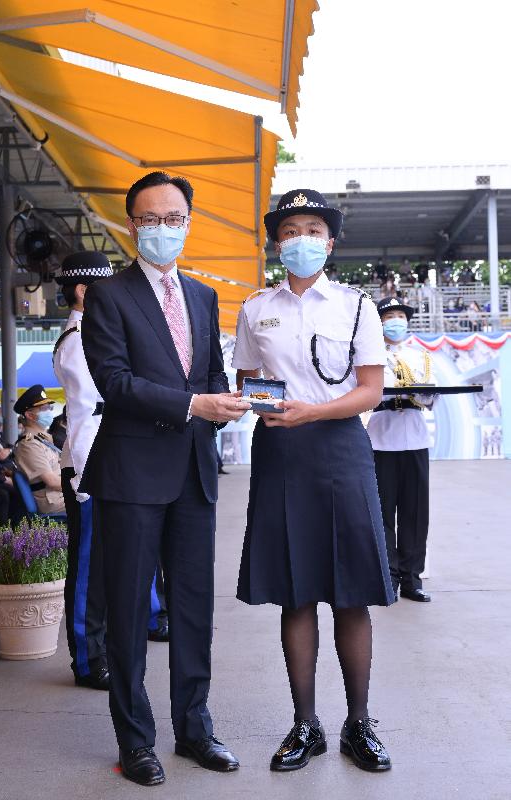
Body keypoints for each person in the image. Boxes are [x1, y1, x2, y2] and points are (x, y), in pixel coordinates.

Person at [80, 171, 249, 786]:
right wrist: (192, 407)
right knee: (127, 614)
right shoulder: (109, 296)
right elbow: (116, 383)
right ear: (131, 225)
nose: (162, 229)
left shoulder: (204, 296)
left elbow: (207, 374)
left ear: (188, 221)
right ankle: (135, 741)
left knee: (193, 610)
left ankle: (195, 730)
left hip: (193, 474)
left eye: (173, 218)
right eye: (150, 219)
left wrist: (224, 401)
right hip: (130, 475)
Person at [233, 188, 394, 774]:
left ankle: (359, 723)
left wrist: (312, 411)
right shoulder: (255, 308)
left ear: (330, 241)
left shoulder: (356, 307)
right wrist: (268, 407)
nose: (301, 239)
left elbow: (370, 389)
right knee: (295, 591)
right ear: (277, 242)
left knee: (351, 593)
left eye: (313, 229)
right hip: (280, 451)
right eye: (290, 229)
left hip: (340, 449)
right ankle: (306, 724)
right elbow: (248, 376)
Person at [53, 252, 114, 691]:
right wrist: (84, 483)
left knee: (102, 565)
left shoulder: (92, 333)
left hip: (99, 459)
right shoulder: (78, 339)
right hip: (87, 463)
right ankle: (87, 659)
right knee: (89, 566)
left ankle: (99, 649)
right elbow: (89, 412)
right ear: (82, 291)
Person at [367, 297, 436, 603]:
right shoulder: (370, 356)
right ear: (379, 322)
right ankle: (387, 576)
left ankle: (412, 578)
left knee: (415, 513)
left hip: (415, 440)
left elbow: (432, 397)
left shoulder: (420, 357)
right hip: (381, 440)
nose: (395, 321)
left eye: (400, 315)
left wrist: (420, 392)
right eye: (389, 316)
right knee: (382, 513)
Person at [13, 386, 65, 515]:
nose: (49, 412)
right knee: (100, 501)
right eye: (44, 409)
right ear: (29, 415)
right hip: (53, 500)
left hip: (61, 494)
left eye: (49, 408)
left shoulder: (42, 439)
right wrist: (80, 486)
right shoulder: (28, 445)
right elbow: (52, 481)